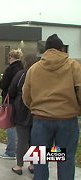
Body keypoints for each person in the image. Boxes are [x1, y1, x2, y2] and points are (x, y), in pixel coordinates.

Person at [23, 34, 81, 180]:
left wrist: (36, 108)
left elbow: (26, 95)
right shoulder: (73, 66)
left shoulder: (34, 69)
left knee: (41, 160)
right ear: (62, 49)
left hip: (41, 122)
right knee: (66, 158)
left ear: (46, 50)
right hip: (67, 120)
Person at [8, 54, 39, 175]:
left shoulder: (21, 74)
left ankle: (19, 165)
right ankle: (34, 165)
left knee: (22, 139)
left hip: (21, 108)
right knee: (36, 140)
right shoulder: (40, 74)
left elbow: (11, 91)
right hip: (37, 109)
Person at [0, 48, 24, 159]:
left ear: (10, 57)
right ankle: (20, 149)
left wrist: (1, 80)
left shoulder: (10, 69)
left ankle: (10, 151)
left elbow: (3, 85)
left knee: (10, 126)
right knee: (19, 127)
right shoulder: (22, 69)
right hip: (21, 100)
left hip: (10, 100)